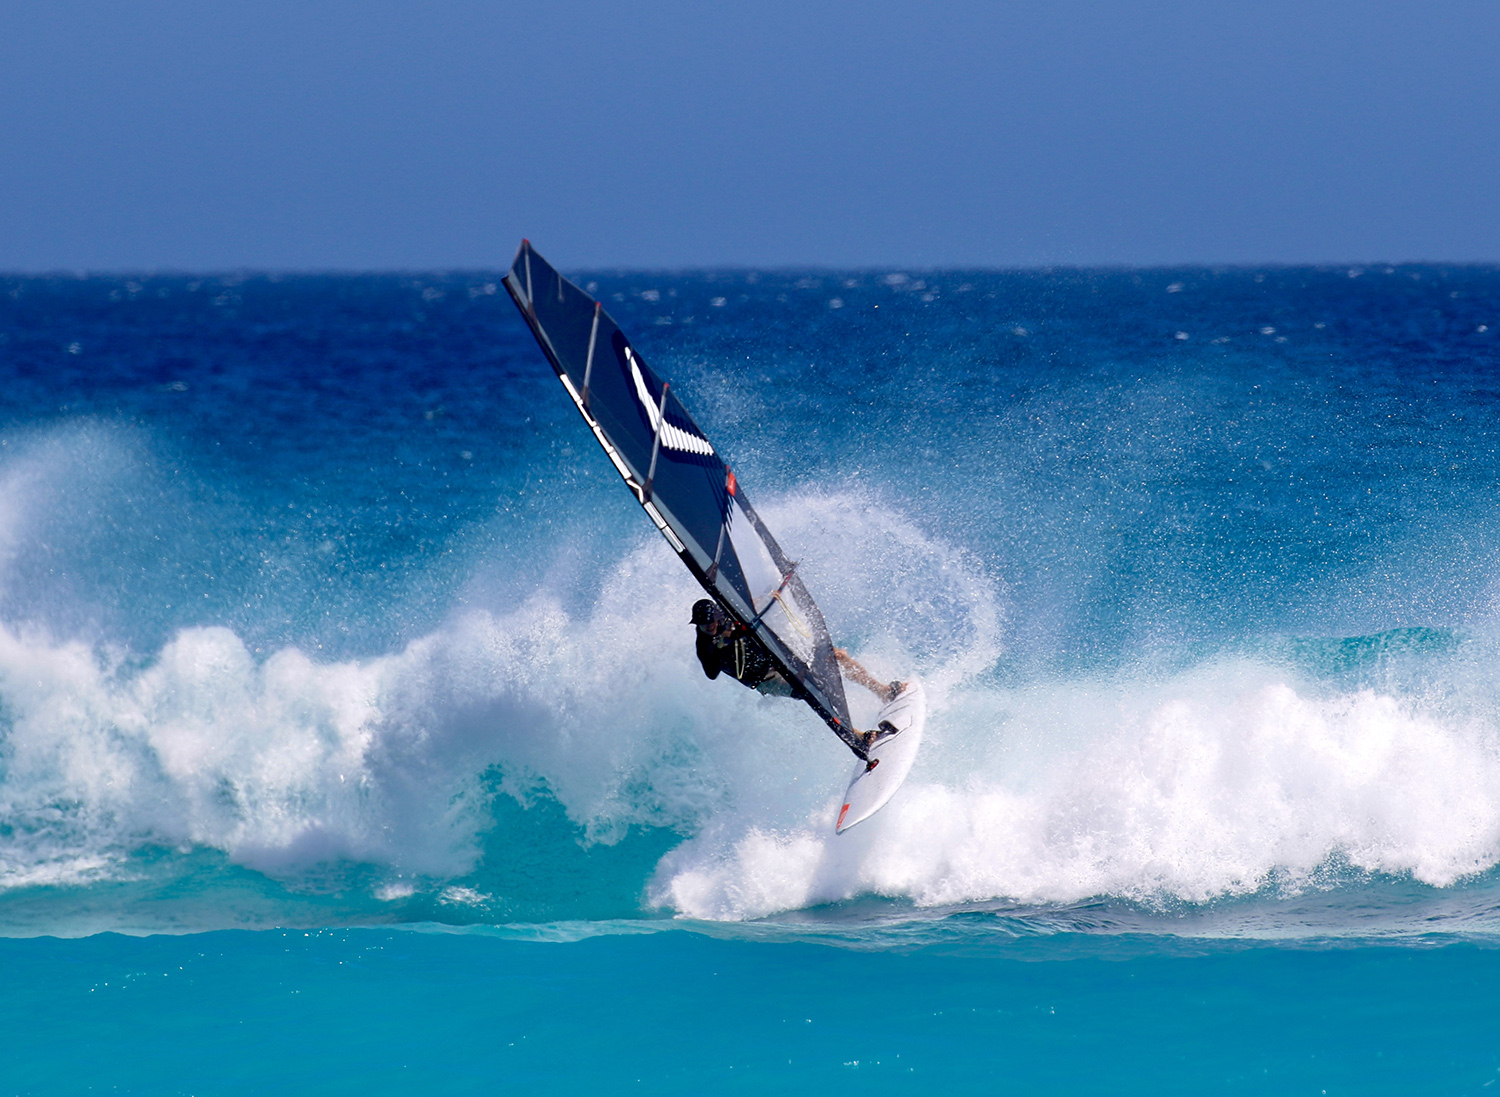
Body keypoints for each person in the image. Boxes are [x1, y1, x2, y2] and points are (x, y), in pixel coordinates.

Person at [690, 598, 905, 721]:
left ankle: (882, 691)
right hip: (766, 678)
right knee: (808, 690)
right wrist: (719, 647)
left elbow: (748, 604)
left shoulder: (726, 615)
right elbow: (711, 673)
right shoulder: (704, 646)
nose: (710, 626)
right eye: (703, 624)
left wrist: (767, 598)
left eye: (712, 621)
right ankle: (856, 735)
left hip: (777, 656)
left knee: (837, 656)